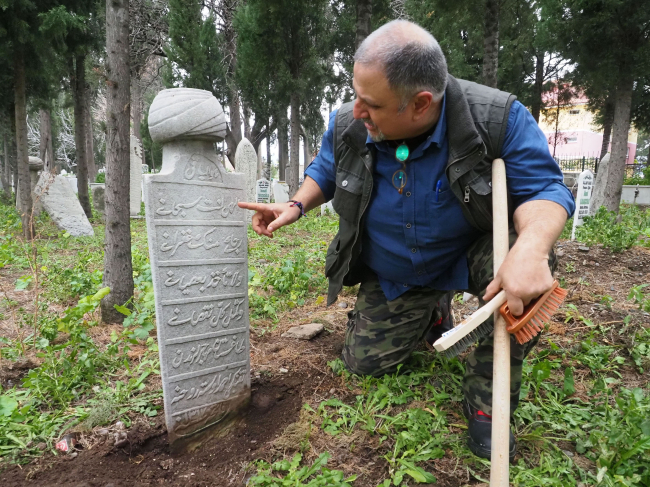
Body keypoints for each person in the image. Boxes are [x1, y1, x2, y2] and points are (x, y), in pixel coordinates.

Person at [238, 20, 575, 461]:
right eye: (355, 94)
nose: (357, 110)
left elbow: (546, 191)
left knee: (523, 283)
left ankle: (488, 401)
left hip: (469, 254)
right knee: (364, 363)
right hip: (398, 270)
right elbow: (325, 168)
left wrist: (531, 249)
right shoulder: (349, 122)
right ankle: (431, 311)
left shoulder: (497, 117)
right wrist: (297, 204)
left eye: (371, 104)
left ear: (420, 104)